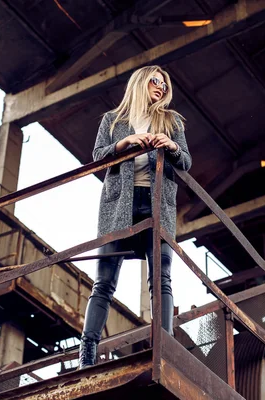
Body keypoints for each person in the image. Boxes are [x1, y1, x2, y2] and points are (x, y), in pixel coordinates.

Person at [78, 65, 192, 368]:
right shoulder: (113, 121)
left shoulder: (171, 121)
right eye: (157, 81)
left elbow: (186, 160)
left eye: (166, 85)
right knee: (103, 280)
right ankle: (87, 352)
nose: (161, 88)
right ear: (142, 82)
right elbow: (97, 156)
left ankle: (164, 344)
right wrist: (123, 144)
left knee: (162, 278)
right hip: (119, 206)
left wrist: (171, 146)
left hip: (158, 206)